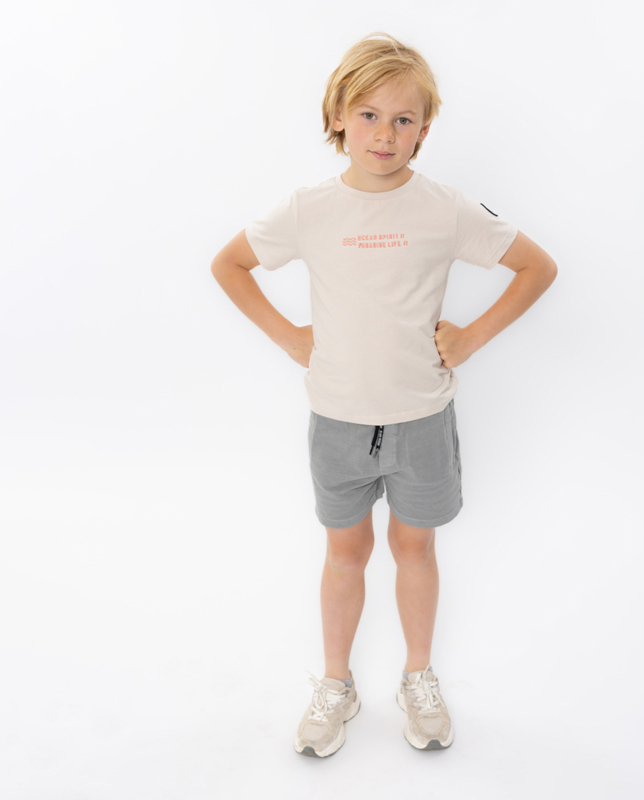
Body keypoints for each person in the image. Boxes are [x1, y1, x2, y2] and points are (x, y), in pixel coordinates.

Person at [211, 32, 557, 758]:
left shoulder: (445, 208)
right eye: (368, 115)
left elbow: (536, 267)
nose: (384, 134)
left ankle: (418, 678)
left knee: (415, 547)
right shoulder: (309, 209)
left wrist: (471, 337)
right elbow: (231, 264)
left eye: (403, 119)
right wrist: (289, 337)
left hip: (421, 418)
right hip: (338, 418)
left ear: (424, 130)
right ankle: (336, 684)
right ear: (337, 116)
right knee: (344, 551)